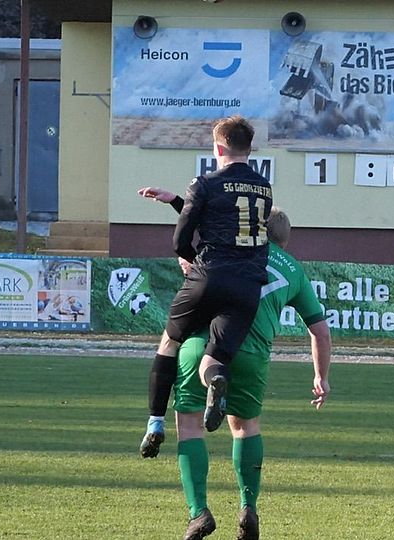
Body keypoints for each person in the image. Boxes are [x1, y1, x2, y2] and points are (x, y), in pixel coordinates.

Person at [138, 189, 331, 540]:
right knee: (245, 428)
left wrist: (176, 203)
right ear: (285, 240)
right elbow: (319, 330)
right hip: (253, 354)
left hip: (202, 345)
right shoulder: (294, 271)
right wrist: (321, 376)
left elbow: (196, 232)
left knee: (190, 426)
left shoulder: (229, 247)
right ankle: (248, 507)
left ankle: (198, 512)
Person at [141, 115, 274, 459]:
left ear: (217, 148)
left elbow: (181, 241)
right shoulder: (264, 187)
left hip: (209, 277)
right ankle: (215, 380)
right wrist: (176, 200)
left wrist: (194, 263)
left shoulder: (204, 183)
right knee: (213, 360)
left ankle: (155, 423)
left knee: (170, 342)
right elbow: (230, 218)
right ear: (249, 148)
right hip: (247, 286)